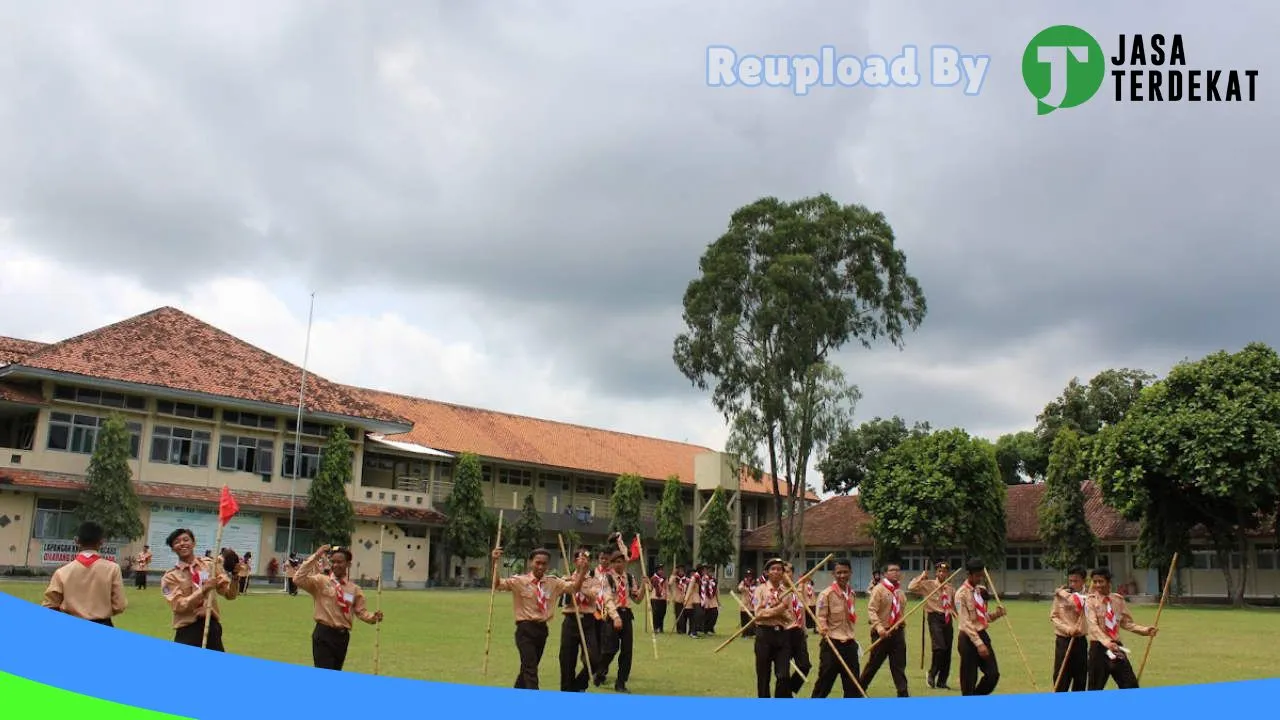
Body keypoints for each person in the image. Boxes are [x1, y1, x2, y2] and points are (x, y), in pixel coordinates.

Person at [492, 546, 589, 690]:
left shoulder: (553, 582)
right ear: (531, 562)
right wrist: (495, 563)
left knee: (528, 668)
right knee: (531, 670)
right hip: (525, 630)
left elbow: (574, 588)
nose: (540, 566)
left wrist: (582, 571)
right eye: (537, 562)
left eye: (544, 563)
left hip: (542, 630)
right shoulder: (519, 581)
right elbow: (497, 585)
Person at [291, 545, 383, 671]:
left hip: (342, 637)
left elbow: (361, 612)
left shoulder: (354, 590)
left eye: (340, 562)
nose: (335, 565)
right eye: (333, 562)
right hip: (323, 634)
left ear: (348, 564)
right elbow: (298, 579)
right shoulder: (320, 582)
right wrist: (316, 556)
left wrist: (373, 617)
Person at [160, 528, 238, 650]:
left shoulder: (209, 566)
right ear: (172, 548)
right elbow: (178, 605)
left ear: (194, 543)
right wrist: (204, 589)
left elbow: (230, 594)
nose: (182, 544)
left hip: (211, 627)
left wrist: (235, 577)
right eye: (176, 542)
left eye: (186, 540)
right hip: (187, 631)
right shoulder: (170, 577)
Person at [42, 521, 127, 626]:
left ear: (76, 541)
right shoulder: (113, 569)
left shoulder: (62, 572)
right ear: (102, 542)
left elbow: (50, 605)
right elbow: (119, 605)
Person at [1084, 567, 1156, 690]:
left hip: (1116, 647)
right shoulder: (1090, 601)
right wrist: (1107, 642)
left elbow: (1127, 623)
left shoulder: (1118, 600)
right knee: (1095, 687)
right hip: (1098, 648)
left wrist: (1144, 631)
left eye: (1100, 581)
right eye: (1095, 582)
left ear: (1108, 582)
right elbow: (1093, 626)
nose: (1097, 585)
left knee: (1130, 684)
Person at [558, 547, 610, 692]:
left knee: (594, 658)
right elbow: (565, 596)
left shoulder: (595, 580)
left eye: (586, 558)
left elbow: (593, 596)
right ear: (575, 561)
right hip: (571, 620)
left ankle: (579, 684)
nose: (583, 560)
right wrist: (574, 582)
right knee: (566, 659)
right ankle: (567, 690)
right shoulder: (565, 578)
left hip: (588, 621)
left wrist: (578, 583)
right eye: (580, 558)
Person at [811, 559, 864, 698]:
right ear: (833, 574)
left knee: (853, 685)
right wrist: (823, 628)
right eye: (839, 572)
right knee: (824, 683)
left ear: (850, 573)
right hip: (832, 644)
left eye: (845, 572)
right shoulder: (826, 594)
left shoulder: (851, 594)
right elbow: (821, 617)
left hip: (850, 644)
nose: (842, 575)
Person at [954, 558, 1006, 696]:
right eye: (977, 576)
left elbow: (982, 617)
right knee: (969, 679)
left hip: (982, 634)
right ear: (969, 575)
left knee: (993, 674)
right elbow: (965, 622)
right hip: (968, 638)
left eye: (981, 575)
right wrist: (978, 644)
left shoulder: (979, 592)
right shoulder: (961, 594)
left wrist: (997, 614)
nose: (980, 578)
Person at [859, 562, 910, 697]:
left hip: (897, 633)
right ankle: (858, 689)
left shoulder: (899, 591)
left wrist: (901, 623)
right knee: (873, 665)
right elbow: (871, 610)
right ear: (885, 574)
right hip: (881, 633)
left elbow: (900, 611)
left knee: (899, 665)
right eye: (892, 570)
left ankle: (903, 693)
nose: (896, 572)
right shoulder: (879, 589)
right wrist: (879, 627)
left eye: (898, 570)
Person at [596, 550, 642, 693]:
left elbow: (637, 599)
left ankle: (621, 682)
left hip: (627, 614)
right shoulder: (607, 579)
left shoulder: (629, 578)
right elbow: (607, 599)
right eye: (616, 561)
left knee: (627, 652)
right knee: (610, 649)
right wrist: (615, 617)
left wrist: (644, 589)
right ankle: (600, 672)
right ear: (611, 563)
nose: (619, 564)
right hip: (612, 615)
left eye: (621, 561)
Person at [751, 558, 795, 698]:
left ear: (783, 573)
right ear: (767, 572)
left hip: (782, 636)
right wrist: (779, 608)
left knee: (783, 675)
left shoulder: (786, 592)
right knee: (763, 676)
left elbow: (789, 618)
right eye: (773, 569)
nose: (776, 571)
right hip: (764, 634)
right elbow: (758, 614)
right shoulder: (760, 590)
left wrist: (778, 610)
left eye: (779, 569)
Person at [908, 561, 956, 690]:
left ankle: (942, 681)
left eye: (945, 571)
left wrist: (960, 619)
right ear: (936, 572)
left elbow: (953, 606)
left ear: (948, 573)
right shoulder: (928, 585)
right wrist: (922, 576)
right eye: (939, 571)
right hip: (934, 617)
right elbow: (911, 587)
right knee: (939, 647)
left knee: (947, 650)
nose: (942, 573)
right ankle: (932, 673)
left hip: (947, 618)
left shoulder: (950, 588)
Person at [1050, 566, 1089, 692]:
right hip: (1063, 641)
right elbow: (1054, 616)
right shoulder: (1060, 595)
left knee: (1080, 678)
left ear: (1084, 581)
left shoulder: (1089, 595)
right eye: (1070, 581)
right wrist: (1068, 629)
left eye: (1076, 581)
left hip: (1080, 641)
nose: (1072, 584)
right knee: (1061, 677)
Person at [781, 561, 812, 694]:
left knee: (805, 666)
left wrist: (804, 628)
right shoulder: (777, 592)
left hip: (798, 632)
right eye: (784, 572)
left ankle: (790, 690)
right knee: (783, 670)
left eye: (789, 571)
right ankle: (785, 696)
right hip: (784, 633)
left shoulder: (798, 591)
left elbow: (802, 611)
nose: (786, 574)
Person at [737, 569, 757, 637]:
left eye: (750, 575)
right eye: (748, 575)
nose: (749, 577)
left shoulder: (755, 583)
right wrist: (745, 588)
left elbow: (757, 593)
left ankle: (752, 633)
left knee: (752, 619)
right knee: (744, 619)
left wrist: (756, 604)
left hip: (753, 604)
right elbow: (739, 588)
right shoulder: (743, 582)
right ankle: (745, 633)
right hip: (744, 604)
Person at [649, 564, 668, 633]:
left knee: (662, 613)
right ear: (656, 570)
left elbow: (666, 588)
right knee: (655, 613)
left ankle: (661, 627)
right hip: (655, 598)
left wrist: (667, 597)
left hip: (663, 598)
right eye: (659, 570)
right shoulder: (653, 578)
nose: (661, 571)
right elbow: (650, 588)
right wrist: (647, 584)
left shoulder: (665, 578)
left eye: (662, 569)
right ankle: (655, 627)